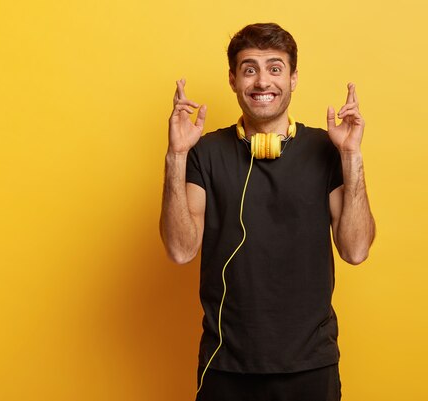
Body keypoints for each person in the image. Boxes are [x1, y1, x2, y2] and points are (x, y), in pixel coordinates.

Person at [160, 23, 375, 401]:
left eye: (275, 68)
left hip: (312, 363)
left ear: (293, 78)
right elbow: (180, 250)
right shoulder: (204, 153)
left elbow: (355, 250)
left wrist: (351, 157)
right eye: (249, 69)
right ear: (233, 79)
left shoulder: (327, 149)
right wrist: (176, 156)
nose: (263, 81)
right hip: (226, 365)